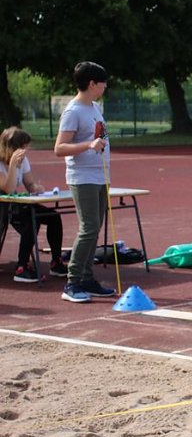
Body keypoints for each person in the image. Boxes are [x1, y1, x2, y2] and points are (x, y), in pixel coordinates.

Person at [54, 61, 116, 303]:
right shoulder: (73, 111)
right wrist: (88, 145)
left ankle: (87, 278)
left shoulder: (94, 107)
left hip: (100, 175)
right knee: (88, 227)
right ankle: (72, 282)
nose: (105, 86)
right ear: (92, 84)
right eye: (103, 83)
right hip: (83, 177)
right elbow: (60, 148)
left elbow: (100, 137)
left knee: (95, 228)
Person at [0, 127, 66, 282]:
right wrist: (12, 166)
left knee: (53, 217)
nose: (25, 152)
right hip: (3, 208)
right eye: (23, 148)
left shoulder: (23, 160)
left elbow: (29, 183)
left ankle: (56, 262)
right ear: (12, 148)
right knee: (31, 220)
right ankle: (22, 267)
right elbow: (8, 188)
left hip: (15, 203)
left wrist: (36, 188)